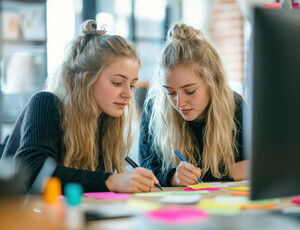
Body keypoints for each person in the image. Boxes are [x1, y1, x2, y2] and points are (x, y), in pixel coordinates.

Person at [0, 19, 159, 193]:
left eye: (132, 85)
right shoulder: (46, 103)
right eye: (117, 82)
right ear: (86, 79)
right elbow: (33, 170)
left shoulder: (106, 120)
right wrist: (110, 181)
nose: (128, 94)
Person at [139, 23, 249, 187]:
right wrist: (173, 177)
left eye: (189, 91)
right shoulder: (154, 108)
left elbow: (253, 164)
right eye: (170, 92)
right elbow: (147, 170)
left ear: (212, 83)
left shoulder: (235, 105)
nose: (179, 103)